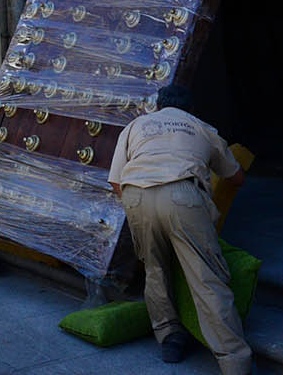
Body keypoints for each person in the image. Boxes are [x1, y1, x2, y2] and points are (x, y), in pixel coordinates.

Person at [108, 85, 252, 372]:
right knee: (206, 277)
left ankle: (169, 337)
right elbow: (237, 179)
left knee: (155, 269)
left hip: (136, 195)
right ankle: (235, 362)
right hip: (183, 196)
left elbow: (115, 181)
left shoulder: (136, 125)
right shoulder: (202, 127)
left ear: (158, 106)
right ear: (189, 108)